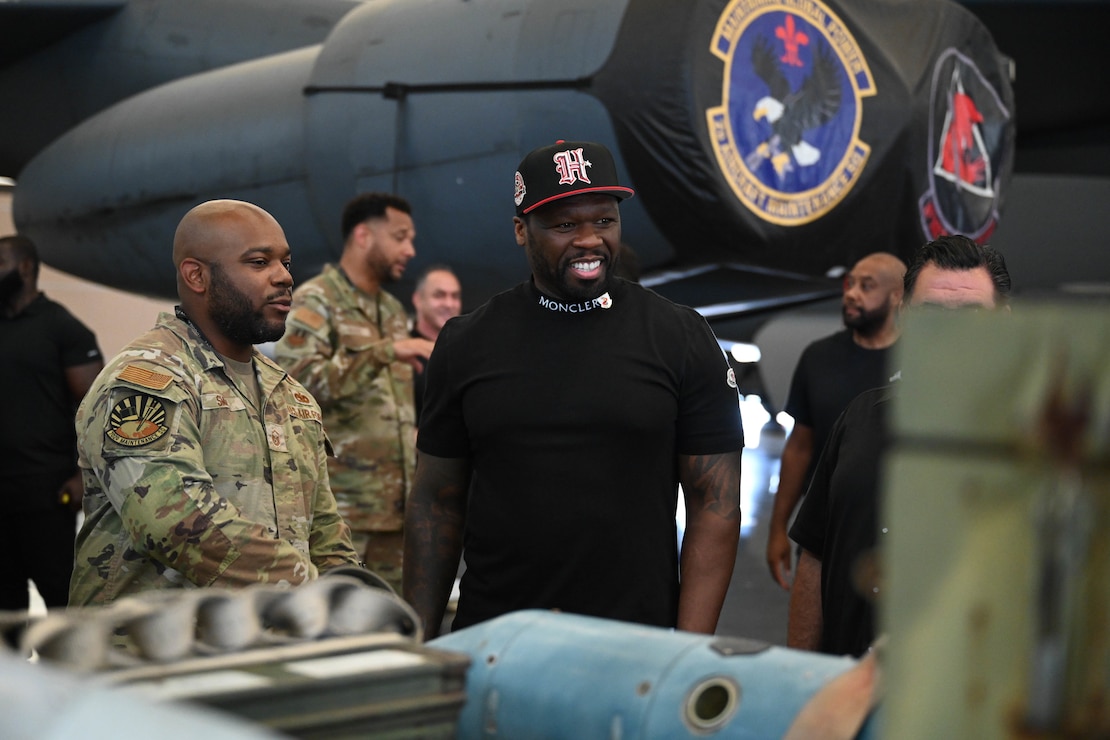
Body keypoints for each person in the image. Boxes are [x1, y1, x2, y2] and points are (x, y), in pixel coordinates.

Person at [403, 140, 744, 638]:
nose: (589, 240)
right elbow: (436, 500)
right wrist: (418, 643)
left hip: (634, 646)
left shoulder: (680, 336)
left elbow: (715, 503)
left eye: (604, 221)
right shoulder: (467, 342)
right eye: (565, 225)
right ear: (522, 230)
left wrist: (687, 654)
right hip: (497, 640)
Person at [70, 200, 361, 606]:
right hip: (150, 655)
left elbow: (324, 529)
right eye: (259, 262)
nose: (284, 278)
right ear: (197, 276)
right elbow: (172, 521)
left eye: (285, 262)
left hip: (260, 650)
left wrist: (353, 598)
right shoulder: (148, 380)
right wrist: (314, 591)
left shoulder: (292, 396)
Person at [787, 234, 1011, 656]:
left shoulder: (1037, 448)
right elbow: (815, 556)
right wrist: (801, 675)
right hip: (847, 695)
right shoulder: (859, 419)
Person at [274, 193, 433, 595]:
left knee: (392, 623)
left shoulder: (393, 311)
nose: (410, 250)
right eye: (400, 237)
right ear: (363, 235)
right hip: (341, 516)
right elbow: (296, 386)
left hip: (395, 510)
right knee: (340, 627)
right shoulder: (316, 300)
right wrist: (385, 352)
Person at [766, 252, 906, 590]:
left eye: (866, 286)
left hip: (893, 539)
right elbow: (799, 448)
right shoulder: (818, 357)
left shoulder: (916, 360)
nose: (851, 293)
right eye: (850, 283)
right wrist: (778, 529)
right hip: (823, 534)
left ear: (897, 297)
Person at [0, 235, 104, 611]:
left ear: (25, 268)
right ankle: (12, 673)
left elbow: (95, 408)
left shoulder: (62, 328)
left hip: (46, 492)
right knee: (5, 605)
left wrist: (83, 476)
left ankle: (68, 671)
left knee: (61, 597)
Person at [410, 264, 462, 425]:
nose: (449, 303)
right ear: (418, 299)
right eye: (439, 295)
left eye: (455, 296)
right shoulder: (403, 351)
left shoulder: (467, 350)